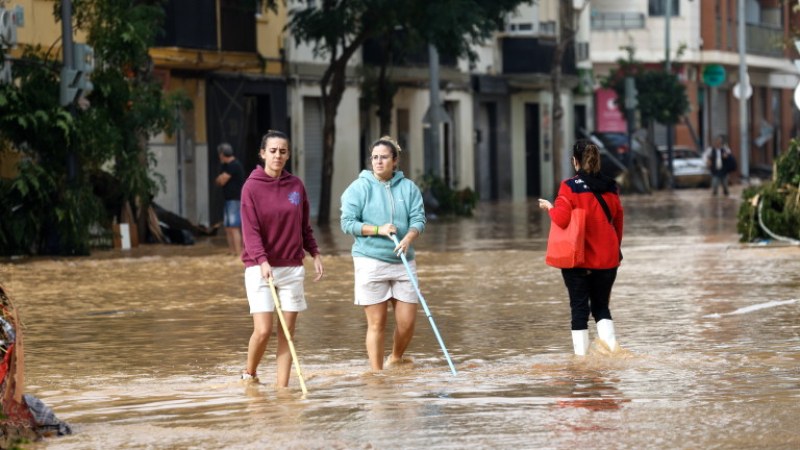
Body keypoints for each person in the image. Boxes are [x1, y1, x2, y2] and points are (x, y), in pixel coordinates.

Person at [239, 130, 324, 385]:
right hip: (259, 268)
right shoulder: (251, 187)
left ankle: (282, 391)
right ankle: (250, 373)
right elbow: (250, 231)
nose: (278, 155)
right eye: (273, 151)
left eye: (283, 151)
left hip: (291, 268)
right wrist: (263, 261)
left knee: (287, 333)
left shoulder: (296, 186)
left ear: (288, 155)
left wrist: (315, 252)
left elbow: (304, 225)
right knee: (263, 330)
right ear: (263, 153)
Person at [340, 136, 426, 370]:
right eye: (375, 157)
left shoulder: (408, 188)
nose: (378, 162)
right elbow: (347, 223)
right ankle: (377, 375)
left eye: (384, 157)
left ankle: (396, 357)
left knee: (407, 323)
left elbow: (418, 219)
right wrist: (378, 230)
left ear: (395, 161)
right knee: (377, 323)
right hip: (369, 260)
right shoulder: (358, 188)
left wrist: (408, 238)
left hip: (403, 261)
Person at [538, 140, 624, 356]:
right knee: (601, 307)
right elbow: (618, 222)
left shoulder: (569, 186)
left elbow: (562, 219)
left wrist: (549, 207)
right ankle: (613, 353)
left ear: (574, 161)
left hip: (578, 259)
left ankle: (582, 364)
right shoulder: (611, 187)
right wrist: (615, 251)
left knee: (579, 309)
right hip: (607, 260)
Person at [215, 143, 245, 255]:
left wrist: (221, 178)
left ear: (222, 154)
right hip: (228, 199)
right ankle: (232, 252)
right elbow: (218, 181)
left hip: (235, 200)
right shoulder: (226, 166)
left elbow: (221, 181)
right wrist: (220, 178)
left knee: (234, 227)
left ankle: (238, 253)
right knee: (228, 227)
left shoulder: (234, 165)